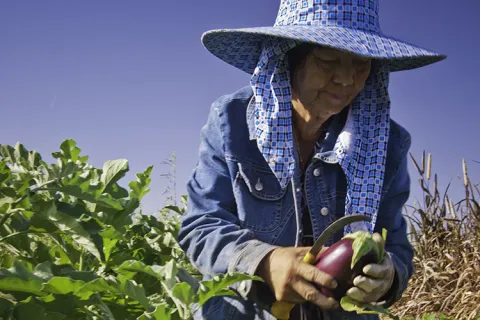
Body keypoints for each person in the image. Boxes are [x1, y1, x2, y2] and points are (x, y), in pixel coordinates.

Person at [178, 1, 446, 319]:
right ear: (289, 57)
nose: (347, 80)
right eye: (328, 60)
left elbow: (396, 245)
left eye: (361, 64)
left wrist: (387, 277)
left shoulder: (386, 146)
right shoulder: (231, 121)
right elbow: (201, 225)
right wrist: (262, 261)